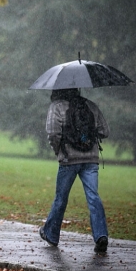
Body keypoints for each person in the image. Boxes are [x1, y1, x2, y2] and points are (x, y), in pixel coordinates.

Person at [39, 88, 110, 254]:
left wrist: (60, 150)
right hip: (91, 160)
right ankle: (101, 235)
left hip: (68, 159)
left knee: (61, 198)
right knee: (93, 196)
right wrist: (87, 137)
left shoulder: (56, 107)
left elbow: (52, 133)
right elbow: (105, 131)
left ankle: (51, 234)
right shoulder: (90, 105)